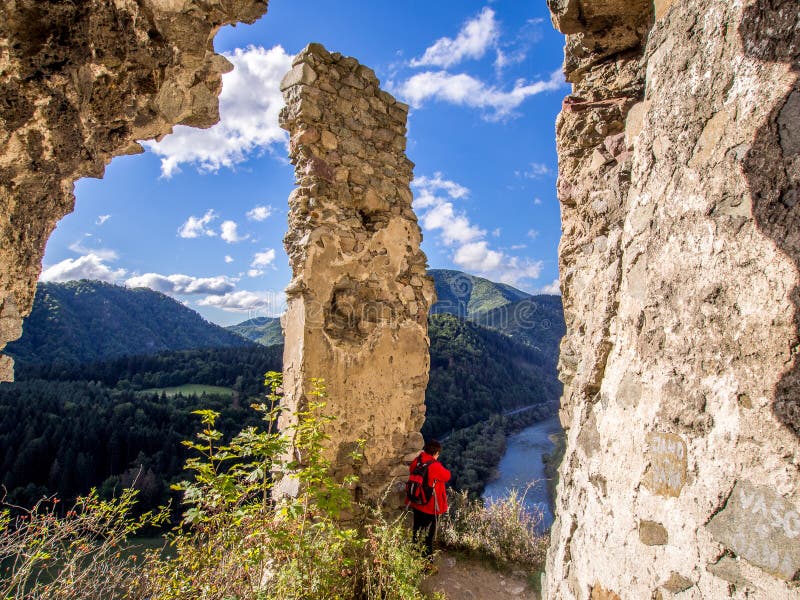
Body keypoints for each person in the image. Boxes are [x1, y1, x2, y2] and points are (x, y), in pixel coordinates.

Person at [408, 439, 451, 558]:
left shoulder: (417, 461)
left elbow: (411, 470)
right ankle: (427, 564)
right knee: (428, 535)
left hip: (417, 502)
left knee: (417, 531)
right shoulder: (435, 465)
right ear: (436, 453)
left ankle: (414, 556)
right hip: (430, 506)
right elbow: (447, 476)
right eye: (438, 454)